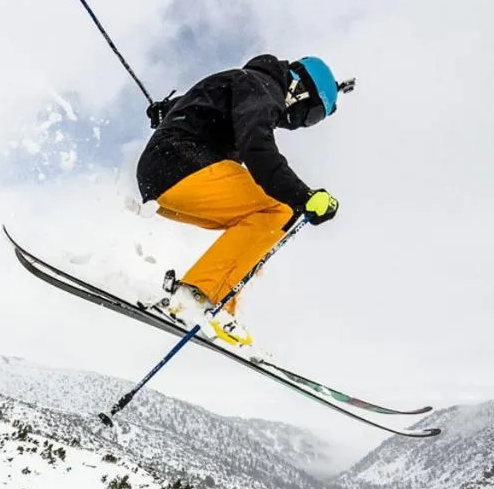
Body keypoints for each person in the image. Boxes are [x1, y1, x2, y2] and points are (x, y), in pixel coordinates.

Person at [136, 53, 345, 351]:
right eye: (311, 116)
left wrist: (167, 110)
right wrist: (304, 196)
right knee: (279, 210)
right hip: (182, 165)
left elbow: (197, 101)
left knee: (258, 226)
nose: (300, 124)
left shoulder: (243, 84)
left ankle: (217, 304)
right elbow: (257, 148)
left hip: (161, 177)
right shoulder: (262, 87)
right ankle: (196, 296)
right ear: (300, 91)